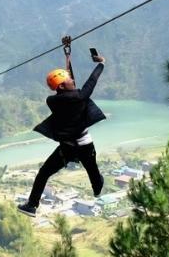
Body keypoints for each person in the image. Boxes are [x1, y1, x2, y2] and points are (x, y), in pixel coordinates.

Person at [17, 54, 106, 217]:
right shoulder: (80, 96)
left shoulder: (52, 101)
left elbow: (69, 88)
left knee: (44, 173)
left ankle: (32, 205)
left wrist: (68, 60)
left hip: (67, 147)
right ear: (63, 86)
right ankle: (98, 188)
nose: (72, 81)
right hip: (85, 146)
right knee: (95, 177)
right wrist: (101, 64)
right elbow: (91, 81)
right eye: (69, 80)